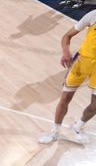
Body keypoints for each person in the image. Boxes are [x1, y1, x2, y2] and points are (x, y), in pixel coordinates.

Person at [38, 10, 96, 144]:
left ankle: (78, 126)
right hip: (81, 63)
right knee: (65, 99)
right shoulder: (93, 15)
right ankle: (55, 132)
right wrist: (66, 52)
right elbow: (67, 36)